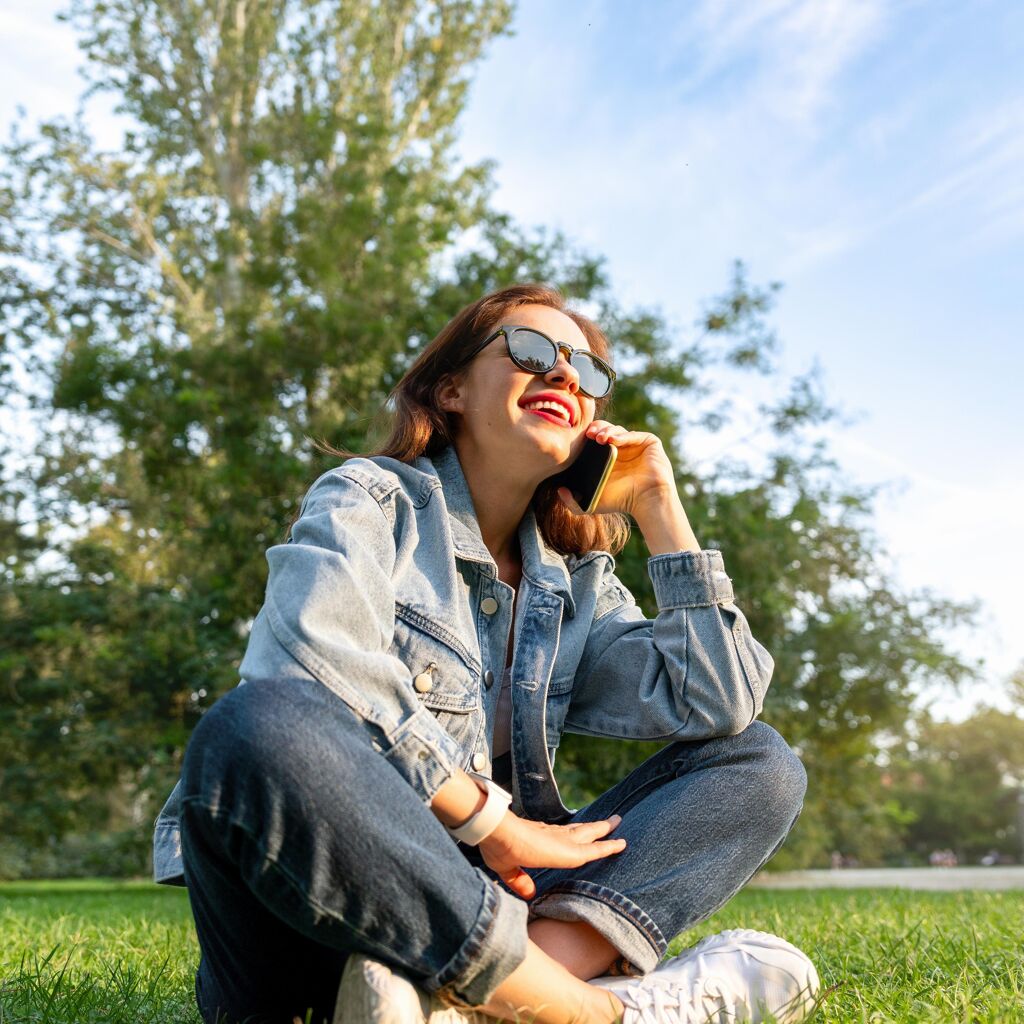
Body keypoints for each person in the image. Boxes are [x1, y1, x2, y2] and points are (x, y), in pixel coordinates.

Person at [152, 284, 819, 1024]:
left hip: (491, 906)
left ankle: (466, 1005)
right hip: (316, 930)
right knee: (255, 725)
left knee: (757, 762)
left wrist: (662, 509)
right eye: (534, 352)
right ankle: (594, 1013)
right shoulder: (370, 499)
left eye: (588, 372)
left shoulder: (577, 582)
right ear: (452, 390)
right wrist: (488, 822)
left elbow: (719, 704)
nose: (566, 376)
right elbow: (306, 658)